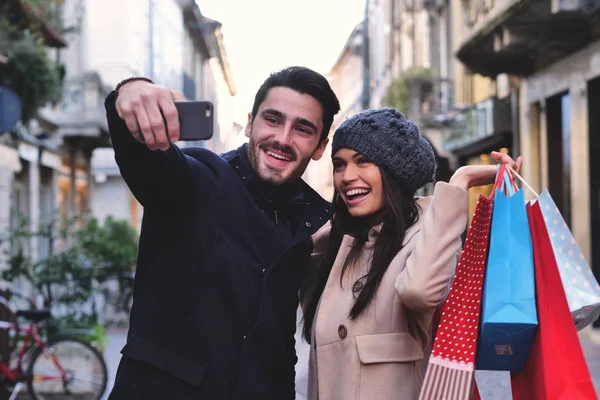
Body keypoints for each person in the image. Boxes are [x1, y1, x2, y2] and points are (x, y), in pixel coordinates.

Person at [104, 66, 340, 400]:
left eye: (303, 129)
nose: (283, 139)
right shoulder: (197, 181)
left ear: (319, 146)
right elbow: (145, 162)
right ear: (249, 123)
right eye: (272, 119)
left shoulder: (301, 232)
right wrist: (130, 91)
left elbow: (279, 354)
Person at [300, 108, 523, 400]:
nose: (347, 176)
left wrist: (459, 183)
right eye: (339, 165)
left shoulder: (424, 237)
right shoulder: (332, 248)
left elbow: (419, 291)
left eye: (363, 161)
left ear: (393, 172)